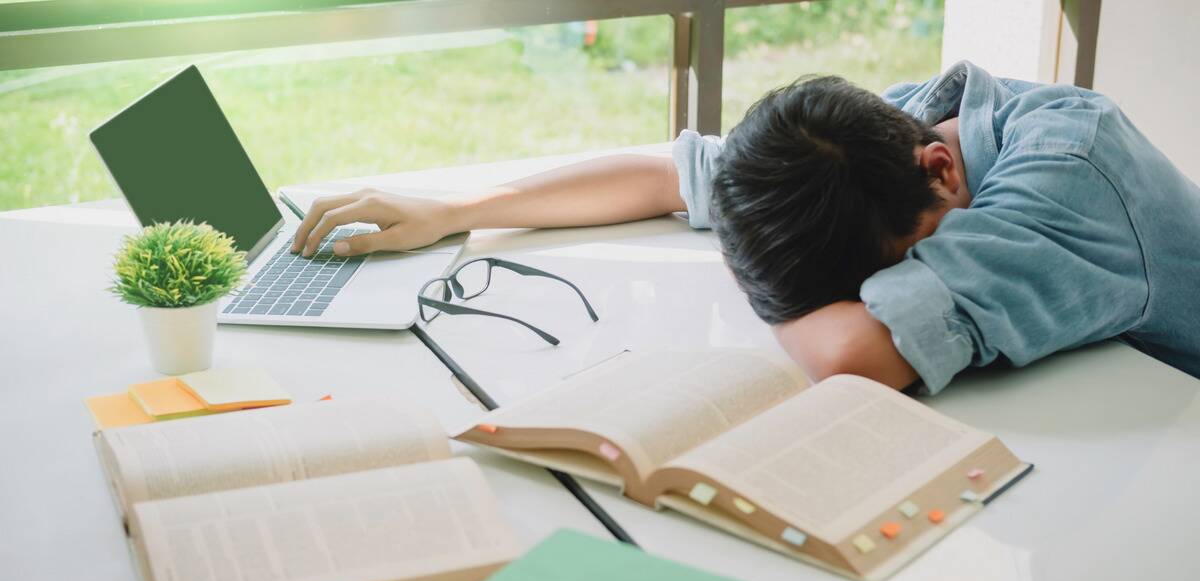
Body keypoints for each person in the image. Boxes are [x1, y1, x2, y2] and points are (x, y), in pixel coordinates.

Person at [290, 61, 1200, 393]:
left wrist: (763, 263)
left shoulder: (1064, 184)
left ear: (940, 172)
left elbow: (852, 355)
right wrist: (457, 212)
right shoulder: (877, 136)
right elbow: (663, 174)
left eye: (885, 269)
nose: (878, 284)